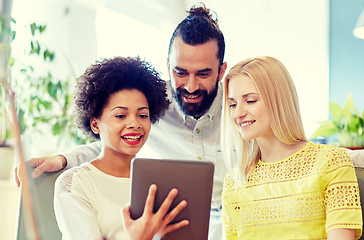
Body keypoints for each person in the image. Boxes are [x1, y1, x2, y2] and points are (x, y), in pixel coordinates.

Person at [16, 4, 228, 239]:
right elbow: (109, 145)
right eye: (180, 72)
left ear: (221, 72)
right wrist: (64, 159)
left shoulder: (240, 108)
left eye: (143, 115)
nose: (190, 86)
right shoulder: (75, 184)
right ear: (168, 67)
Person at [221, 56, 363, 239]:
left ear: (278, 100)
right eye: (232, 104)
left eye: (250, 101)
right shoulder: (234, 182)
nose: (238, 113)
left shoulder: (331, 162)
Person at [53, 56, 189, 240]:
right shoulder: (75, 184)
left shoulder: (159, 182)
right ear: (95, 124)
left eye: (142, 115)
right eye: (120, 116)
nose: (134, 123)